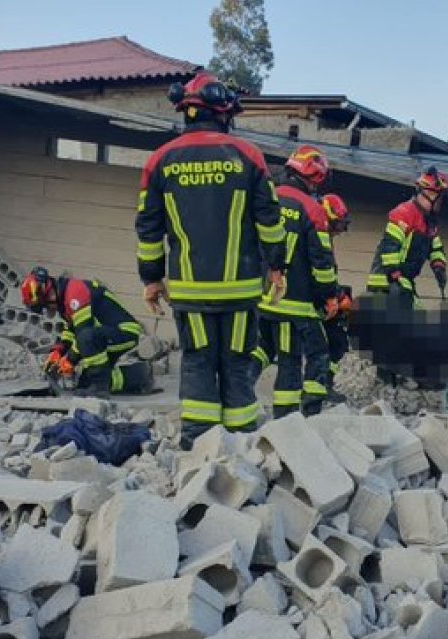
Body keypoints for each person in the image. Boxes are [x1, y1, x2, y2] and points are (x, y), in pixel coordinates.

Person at [135, 72, 286, 450]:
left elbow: (148, 230)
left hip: (190, 288)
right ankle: (240, 446)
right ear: (223, 113)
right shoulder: (248, 156)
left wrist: (151, 279)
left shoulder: (160, 161)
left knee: (199, 359)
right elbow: (270, 222)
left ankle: (198, 446)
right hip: (241, 288)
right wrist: (276, 266)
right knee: (237, 359)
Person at [256, 145, 341, 418]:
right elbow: (322, 264)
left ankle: (236, 391)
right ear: (316, 177)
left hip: (260, 297)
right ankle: (293, 418)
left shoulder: (266, 199)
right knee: (301, 358)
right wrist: (329, 296)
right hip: (293, 304)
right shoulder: (312, 210)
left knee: (261, 350)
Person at [19, 267, 152, 395]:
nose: (48, 310)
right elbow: (72, 329)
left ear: (48, 294)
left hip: (125, 332)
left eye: (45, 306)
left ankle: (100, 388)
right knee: (85, 383)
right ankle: (139, 376)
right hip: (106, 334)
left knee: (86, 338)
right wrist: (58, 351)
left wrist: (70, 361)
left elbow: (83, 333)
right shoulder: (65, 298)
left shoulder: (75, 293)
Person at [366, 167, 448, 301]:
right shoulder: (404, 213)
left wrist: (439, 266)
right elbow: (389, 248)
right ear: (428, 193)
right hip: (385, 284)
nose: (441, 203)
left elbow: (436, 247)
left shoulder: (429, 222)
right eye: (440, 198)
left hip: (403, 282)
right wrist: (395, 275)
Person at [318, 193, 353, 400]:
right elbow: (319, 273)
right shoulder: (317, 235)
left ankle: (326, 384)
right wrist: (337, 297)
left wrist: (339, 294)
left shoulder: (325, 238)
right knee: (328, 343)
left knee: (337, 342)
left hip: (325, 296)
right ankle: (321, 386)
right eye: (337, 225)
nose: (340, 231)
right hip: (313, 300)